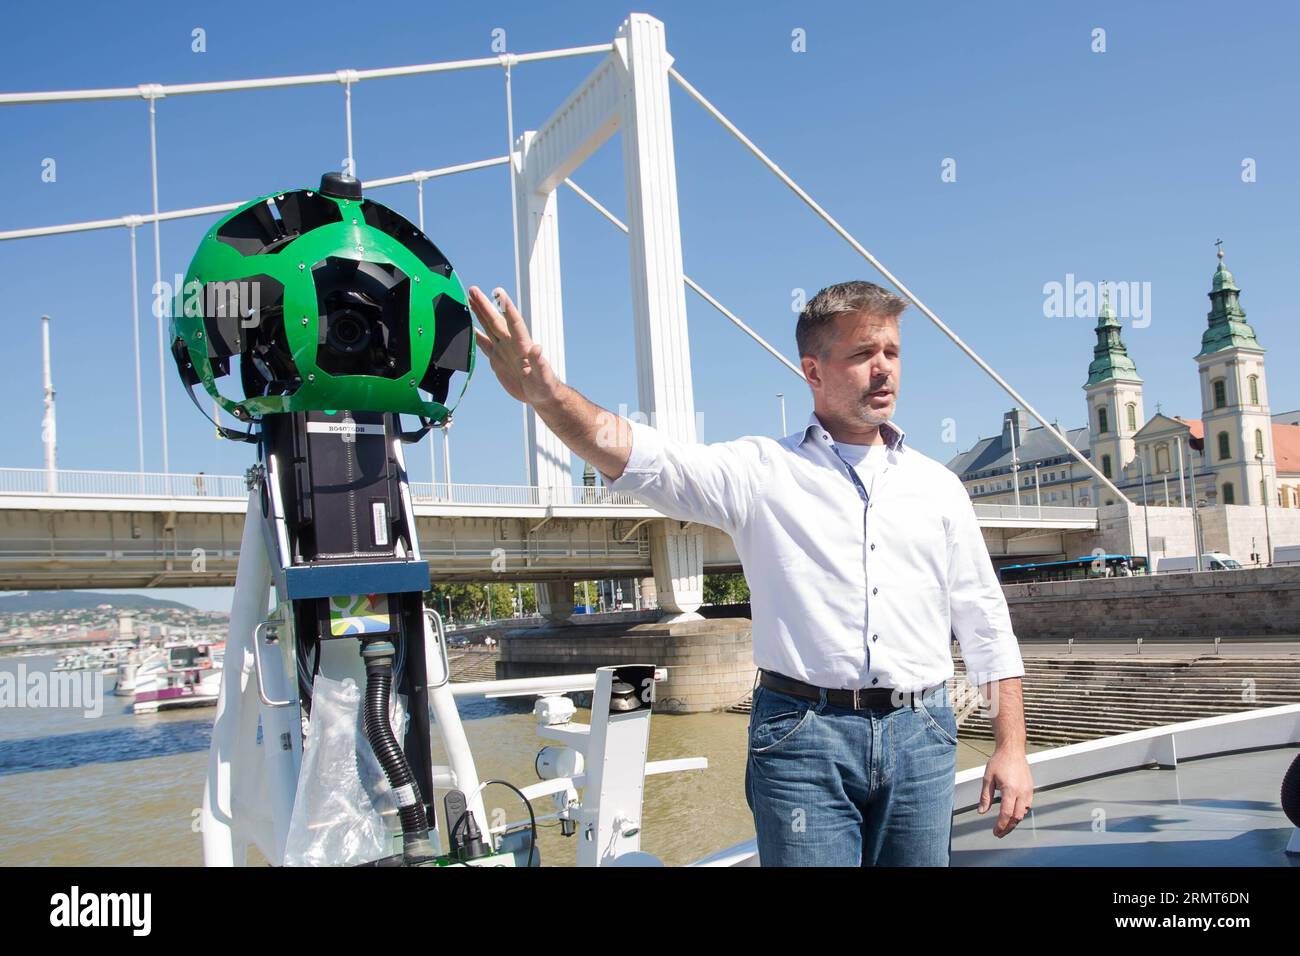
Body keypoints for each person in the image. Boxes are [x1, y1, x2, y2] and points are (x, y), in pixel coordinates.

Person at [466, 280, 1034, 866]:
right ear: (813, 371)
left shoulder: (937, 487)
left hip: (924, 733)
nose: (883, 369)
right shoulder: (762, 472)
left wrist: (1010, 747)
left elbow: (985, 621)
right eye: (863, 354)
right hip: (802, 737)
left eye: (891, 352)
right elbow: (643, 459)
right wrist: (546, 393)